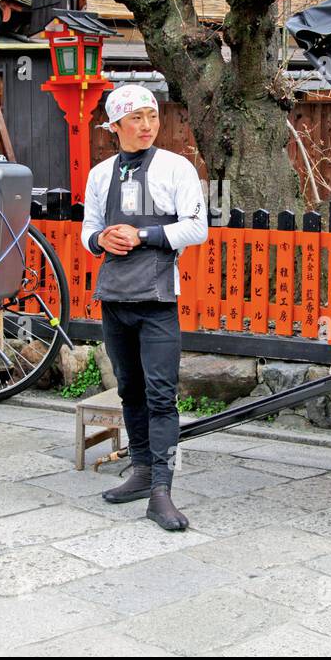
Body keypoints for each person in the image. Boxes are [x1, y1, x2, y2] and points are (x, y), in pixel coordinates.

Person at [81, 84, 208, 531]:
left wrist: (145, 236)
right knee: (128, 390)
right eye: (135, 118)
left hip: (157, 300)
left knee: (160, 396)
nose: (147, 125)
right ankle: (139, 472)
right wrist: (101, 239)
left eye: (151, 116)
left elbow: (197, 228)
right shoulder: (100, 175)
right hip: (114, 297)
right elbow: (88, 230)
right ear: (115, 126)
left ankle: (161, 492)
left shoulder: (177, 168)